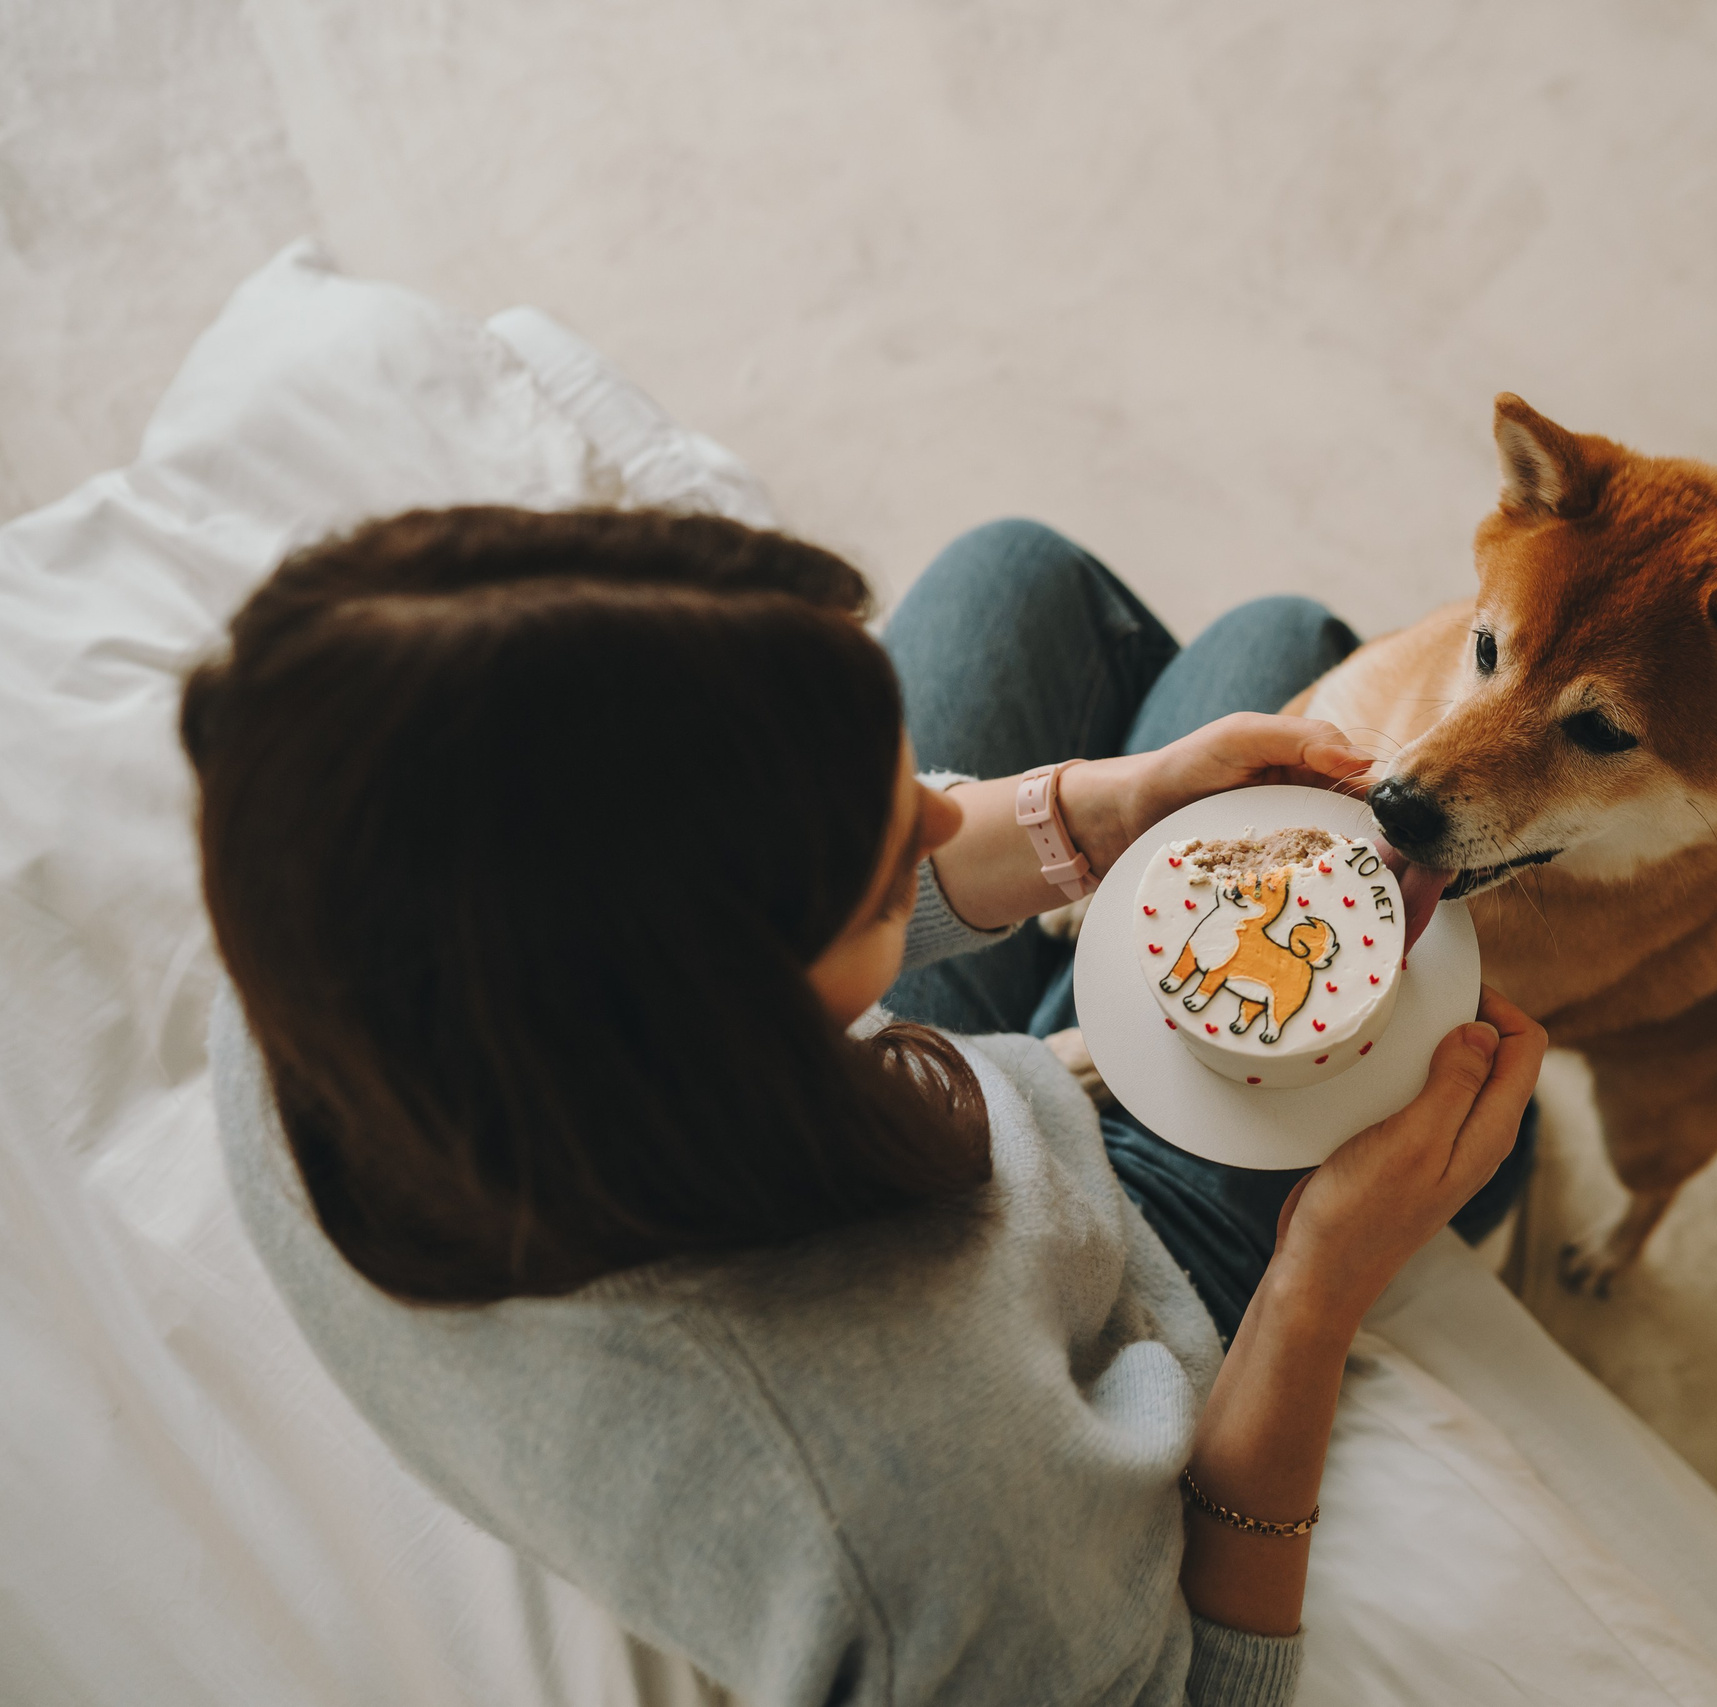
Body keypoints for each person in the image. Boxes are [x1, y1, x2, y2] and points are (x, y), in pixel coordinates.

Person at [186, 508, 1546, 1706]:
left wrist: (1098, 808)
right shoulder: (912, 1526)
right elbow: (1200, 1697)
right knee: (1286, 646)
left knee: (1027, 575)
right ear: (735, 1019)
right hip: (1088, 1295)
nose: (960, 820)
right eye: (899, 860)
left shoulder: (324, 951)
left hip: (922, 1155)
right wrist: (1322, 1282)